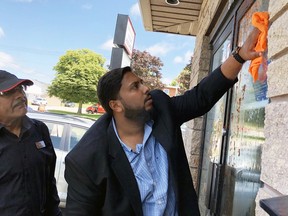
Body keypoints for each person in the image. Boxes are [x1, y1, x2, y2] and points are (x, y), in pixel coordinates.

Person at [64, 28, 261, 216]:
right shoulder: (86, 159)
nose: (145, 88)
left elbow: (201, 97)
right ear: (116, 105)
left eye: (141, 82)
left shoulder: (161, 108)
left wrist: (241, 55)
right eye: (135, 87)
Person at [0, 70, 62, 216]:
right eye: (9, 92)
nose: (21, 96)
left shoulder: (39, 130)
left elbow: (48, 181)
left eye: (21, 89)